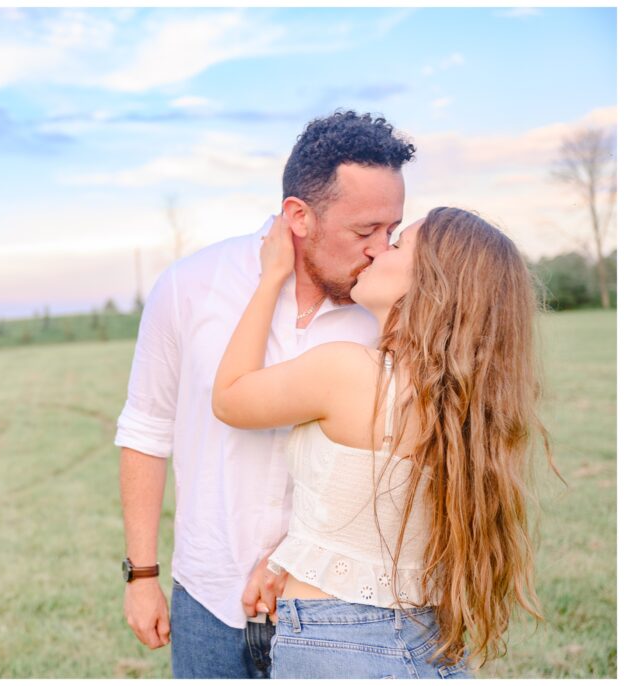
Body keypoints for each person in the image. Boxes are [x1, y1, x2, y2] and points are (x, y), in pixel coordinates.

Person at [114, 110, 415, 678]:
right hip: (208, 595)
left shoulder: (389, 308)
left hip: (337, 611)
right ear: (298, 216)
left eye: (392, 231)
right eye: (364, 231)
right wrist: (143, 576)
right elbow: (146, 429)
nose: (381, 249)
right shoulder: (190, 286)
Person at [212, 207, 554, 678]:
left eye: (396, 244)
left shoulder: (349, 371)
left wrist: (272, 277)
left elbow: (230, 398)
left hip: (340, 646)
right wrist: (287, 563)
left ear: (429, 282)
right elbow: (367, 512)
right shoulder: (463, 408)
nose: (376, 249)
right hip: (426, 643)